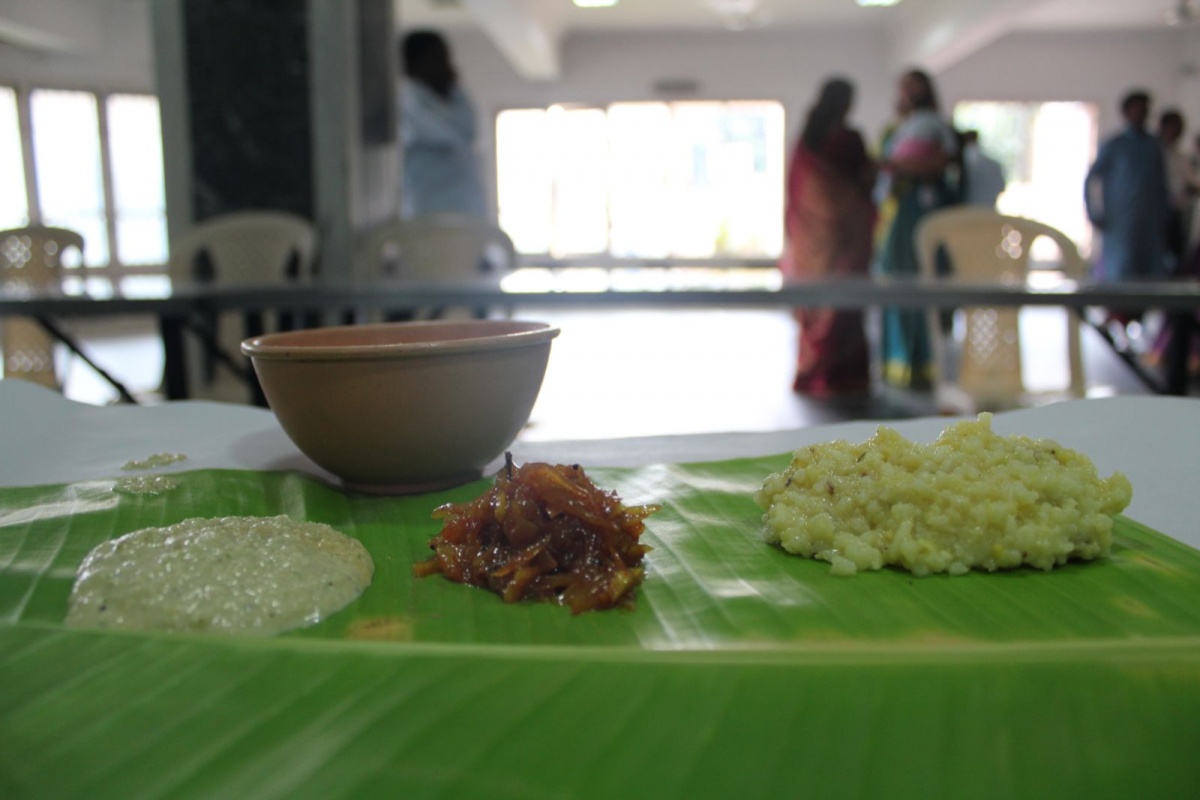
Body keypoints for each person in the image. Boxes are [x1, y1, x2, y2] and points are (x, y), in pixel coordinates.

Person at [779, 77, 877, 395]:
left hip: (810, 241)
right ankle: (840, 379)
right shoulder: (847, 139)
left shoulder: (806, 141)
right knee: (843, 307)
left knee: (817, 305)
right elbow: (863, 181)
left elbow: (797, 191)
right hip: (846, 240)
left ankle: (813, 371)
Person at [874, 68, 959, 389]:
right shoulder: (894, 130)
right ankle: (897, 362)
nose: (909, 93)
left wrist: (900, 165)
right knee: (894, 282)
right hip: (896, 215)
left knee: (922, 281)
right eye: (905, 87)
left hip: (922, 212)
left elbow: (940, 163)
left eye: (916, 87)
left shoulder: (937, 127)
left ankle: (923, 361)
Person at [398, 30, 487, 219]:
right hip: (429, 216)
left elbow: (468, 127)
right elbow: (462, 131)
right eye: (437, 58)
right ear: (416, 63)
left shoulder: (451, 97)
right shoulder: (409, 101)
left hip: (465, 215)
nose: (446, 65)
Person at [1084, 90, 1170, 283]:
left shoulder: (1154, 145)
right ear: (1126, 112)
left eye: (1144, 110)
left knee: (1150, 277)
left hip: (1150, 224)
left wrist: (1165, 215)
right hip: (1121, 224)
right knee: (1121, 275)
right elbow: (1091, 179)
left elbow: (1162, 184)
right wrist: (1093, 214)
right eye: (1137, 109)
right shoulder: (1115, 146)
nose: (1141, 114)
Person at [960, 130, 1006, 209]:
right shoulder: (993, 164)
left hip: (970, 208)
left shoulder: (964, 161)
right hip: (986, 207)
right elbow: (1001, 187)